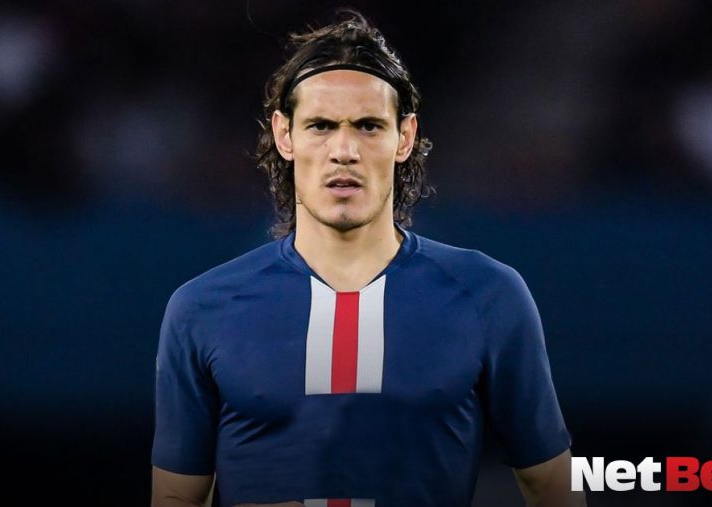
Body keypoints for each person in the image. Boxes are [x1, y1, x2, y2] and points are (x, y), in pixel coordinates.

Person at [152, 10, 584, 507]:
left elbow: (552, 486)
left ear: (405, 136)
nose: (344, 150)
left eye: (368, 126)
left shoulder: (488, 295)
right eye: (320, 125)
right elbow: (176, 497)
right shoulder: (202, 309)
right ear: (284, 134)